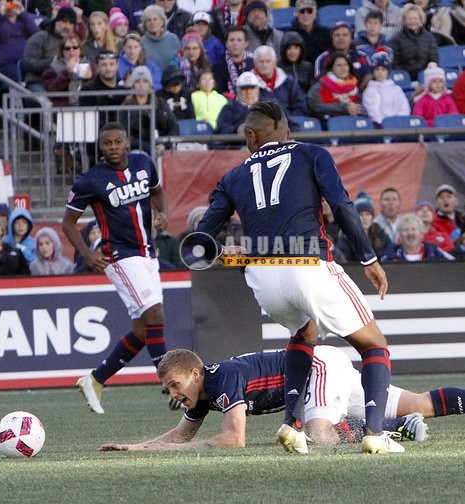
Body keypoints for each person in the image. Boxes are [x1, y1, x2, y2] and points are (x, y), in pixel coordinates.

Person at [194, 101, 401, 455]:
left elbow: (200, 241)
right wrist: (368, 257)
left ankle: (293, 425)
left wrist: (227, 254)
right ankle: (375, 433)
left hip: (261, 277)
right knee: (374, 345)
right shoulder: (311, 154)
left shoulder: (232, 177)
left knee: (303, 335)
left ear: (251, 135)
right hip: (306, 265)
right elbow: (341, 205)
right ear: (287, 132)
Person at [98, 346, 465, 451]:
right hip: (324, 371)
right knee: (421, 404)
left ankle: (388, 429)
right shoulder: (198, 393)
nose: (172, 393)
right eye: (168, 389)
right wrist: (137, 447)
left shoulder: (223, 378)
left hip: (317, 369)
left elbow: (233, 440)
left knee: (318, 435)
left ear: (194, 374)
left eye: (175, 385)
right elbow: (181, 435)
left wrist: (170, 451)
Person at [62, 122, 170, 414]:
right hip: (119, 255)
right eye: (107, 143)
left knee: (144, 330)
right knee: (155, 314)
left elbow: (157, 191)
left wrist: (162, 213)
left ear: (127, 142)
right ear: (100, 147)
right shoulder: (90, 180)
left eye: (117, 141)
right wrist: (87, 254)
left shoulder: (143, 163)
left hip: (147, 252)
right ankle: (170, 379)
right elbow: (68, 222)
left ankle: (95, 379)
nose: (112, 147)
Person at [22, 6, 78, 93]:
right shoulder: (39, 38)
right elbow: (27, 63)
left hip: (66, 83)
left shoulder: (74, 42)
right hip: (39, 82)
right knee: (44, 100)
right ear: (56, 21)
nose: (67, 26)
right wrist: (52, 62)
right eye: (64, 21)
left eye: (71, 23)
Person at [0, 0, 40, 83]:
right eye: (8, 1)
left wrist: (23, 13)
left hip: (26, 64)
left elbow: (37, 36)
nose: (10, 4)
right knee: (21, 77)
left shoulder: (25, 18)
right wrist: (0, 15)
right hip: (4, 66)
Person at [307, 52, 363, 125]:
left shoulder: (355, 87)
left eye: (345, 65)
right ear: (331, 68)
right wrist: (344, 107)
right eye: (338, 65)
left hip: (354, 123)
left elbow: (365, 108)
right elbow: (315, 106)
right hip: (326, 124)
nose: (343, 68)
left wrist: (357, 109)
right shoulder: (320, 85)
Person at [252, 45, 308, 119]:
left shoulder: (288, 81)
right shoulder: (249, 83)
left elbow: (300, 106)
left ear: (274, 62)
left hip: (289, 122)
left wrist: (290, 120)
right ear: (255, 63)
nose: (264, 65)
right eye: (261, 62)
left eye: (268, 61)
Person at [390, 4, 439, 82]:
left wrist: (431, 65)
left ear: (421, 20)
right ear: (404, 20)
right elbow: (395, 63)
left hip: (425, 78)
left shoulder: (430, 37)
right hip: (405, 78)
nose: (412, 21)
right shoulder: (396, 38)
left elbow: (434, 59)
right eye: (409, 19)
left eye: (415, 18)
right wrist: (406, 77)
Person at [336, 192, 392, 260]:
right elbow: (343, 260)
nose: (364, 218)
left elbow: (390, 253)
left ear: (372, 217)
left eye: (367, 214)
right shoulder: (346, 238)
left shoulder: (381, 234)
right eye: (360, 214)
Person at [41, 36, 93, 107]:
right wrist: (66, 73)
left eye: (75, 47)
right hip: (63, 108)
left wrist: (91, 77)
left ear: (80, 50)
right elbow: (50, 89)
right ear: (62, 52)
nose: (71, 50)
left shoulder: (91, 65)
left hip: (86, 107)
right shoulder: (52, 68)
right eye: (67, 48)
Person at [381, 213, 454, 262]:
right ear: (400, 236)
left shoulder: (435, 252)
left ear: (422, 234)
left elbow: (454, 266)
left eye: (413, 229)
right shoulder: (389, 256)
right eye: (405, 230)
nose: (410, 233)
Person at [412, 62, 459, 127]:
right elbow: (418, 119)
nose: (438, 84)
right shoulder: (421, 101)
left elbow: (453, 116)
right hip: (428, 131)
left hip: (446, 129)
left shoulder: (448, 99)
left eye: (441, 81)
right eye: (434, 81)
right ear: (428, 83)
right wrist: (434, 124)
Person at [212, 26, 254, 98]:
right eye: (231, 40)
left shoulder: (254, 62)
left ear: (246, 43)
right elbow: (217, 92)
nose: (235, 43)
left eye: (239, 40)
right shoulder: (218, 66)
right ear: (226, 43)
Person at [140, 4, 181, 73]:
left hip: (172, 77)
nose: (152, 22)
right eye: (149, 20)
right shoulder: (141, 42)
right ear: (145, 24)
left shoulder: (173, 39)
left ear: (162, 21)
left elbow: (180, 61)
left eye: (155, 19)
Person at [289, 0, 331, 66]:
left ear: (315, 14)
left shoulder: (326, 33)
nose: (306, 15)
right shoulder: (290, 35)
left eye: (309, 11)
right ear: (296, 14)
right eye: (302, 11)